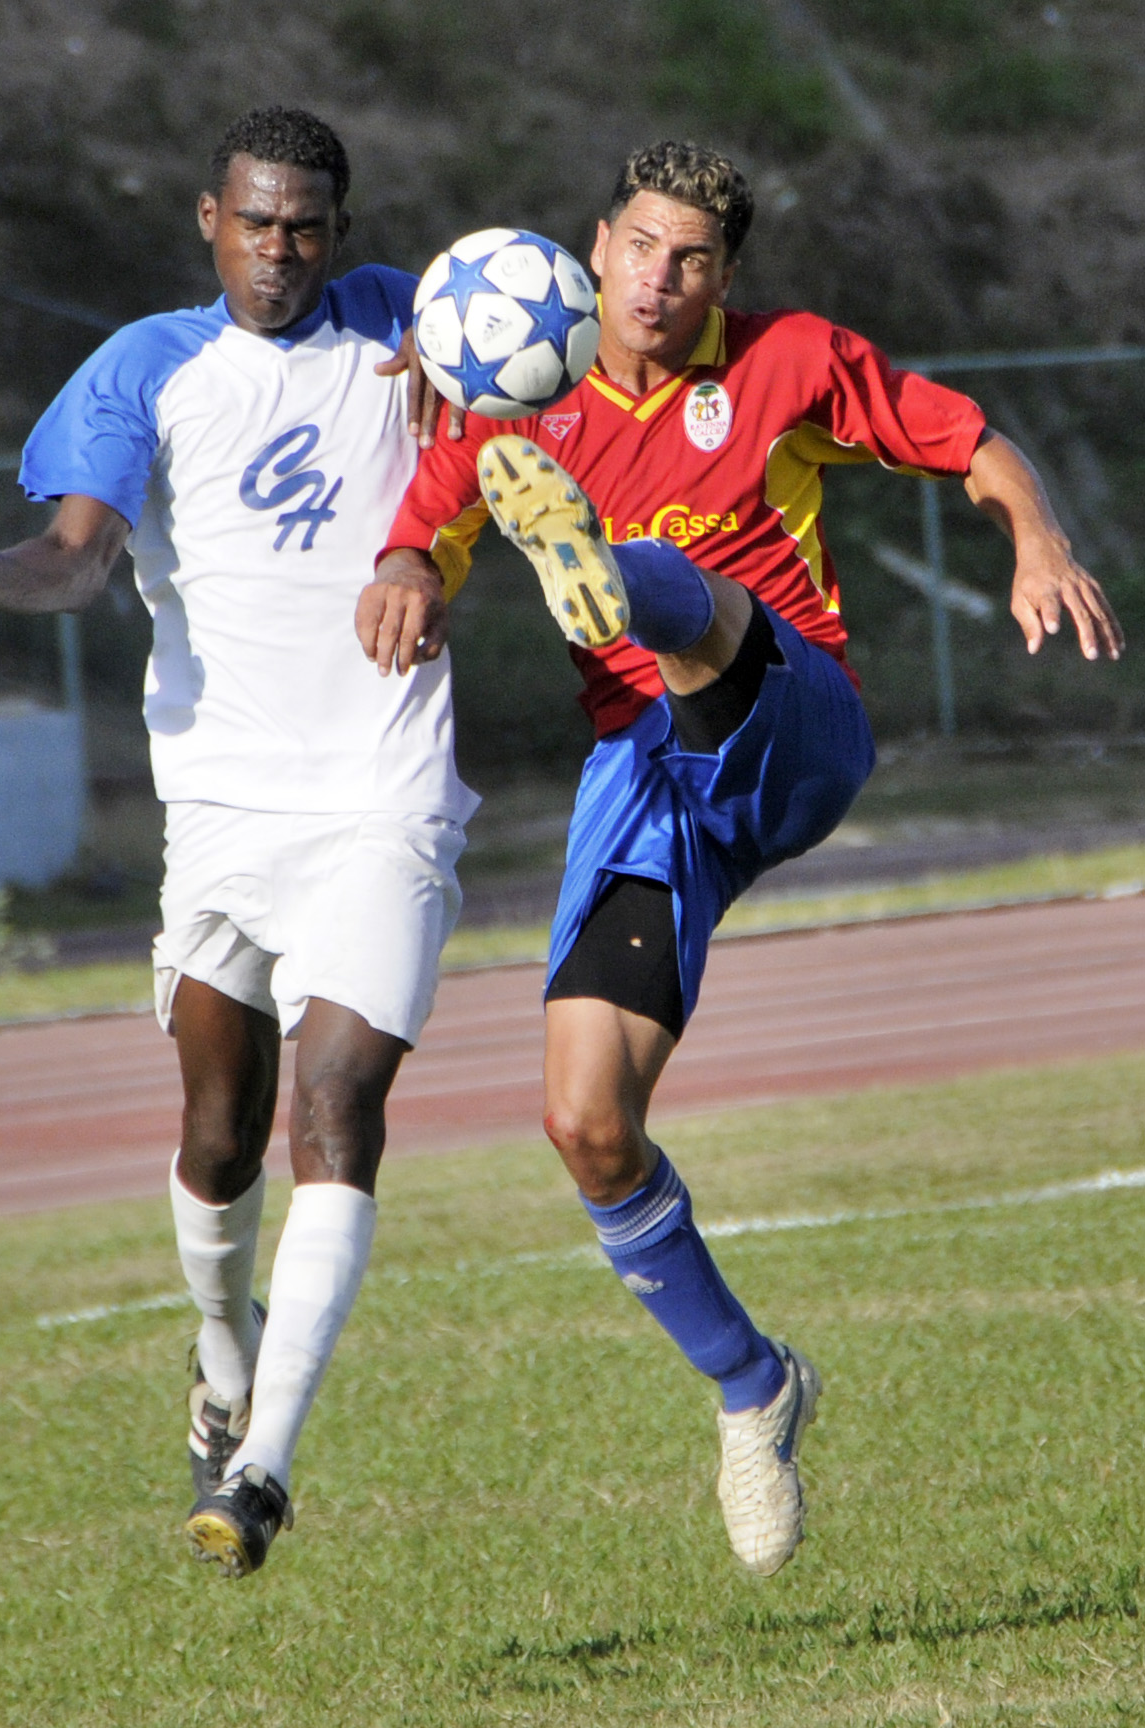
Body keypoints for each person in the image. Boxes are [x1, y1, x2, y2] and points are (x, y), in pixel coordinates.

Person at [357, 139, 1123, 1578]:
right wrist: (404, 577)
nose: (662, 278)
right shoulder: (504, 399)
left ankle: (610, 565)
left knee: (692, 604)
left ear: (727, 279)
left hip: (794, 717)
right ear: (597, 245)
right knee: (586, 1124)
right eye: (642, 246)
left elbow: (972, 442)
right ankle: (753, 1386)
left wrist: (1036, 538)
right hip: (643, 783)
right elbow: (417, 547)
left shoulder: (788, 363)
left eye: (694, 258)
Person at [0, 104, 476, 1580]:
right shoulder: (146, 368)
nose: (279, 250)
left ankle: (259, 1472)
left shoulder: (413, 323)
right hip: (223, 808)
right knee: (218, 1130)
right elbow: (75, 557)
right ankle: (217, 1348)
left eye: (308, 225)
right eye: (255, 221)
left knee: (338, 1109)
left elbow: (522, 349)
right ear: (209, 219)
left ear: (343, 228)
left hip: (386, 793)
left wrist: (472, 381)